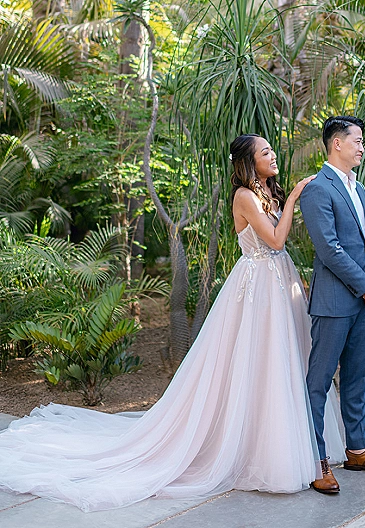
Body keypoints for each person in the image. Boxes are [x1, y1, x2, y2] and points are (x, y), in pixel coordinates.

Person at [0, 134, 343, 512]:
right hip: (258, 287)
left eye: (272, 151)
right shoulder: (245, 196)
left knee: (287, 362)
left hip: (281, 283)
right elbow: (276, 241)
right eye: (266, 152)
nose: (273, 156)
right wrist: (293, 198)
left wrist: (287, 199)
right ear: (248, 161)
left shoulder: (267, 193)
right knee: (258, 361)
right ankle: (258, 449)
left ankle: (292, 443)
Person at [300, 116, 365, 495]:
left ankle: (357, 450)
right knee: (319, 382)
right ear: (336, 145)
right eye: (357, 140)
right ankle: (316, 460)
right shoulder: (317, 189)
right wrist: (364, 285)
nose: (362, 147)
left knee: (357, 378)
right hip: (333, 302)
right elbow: (328, 248)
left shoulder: (358, 188)